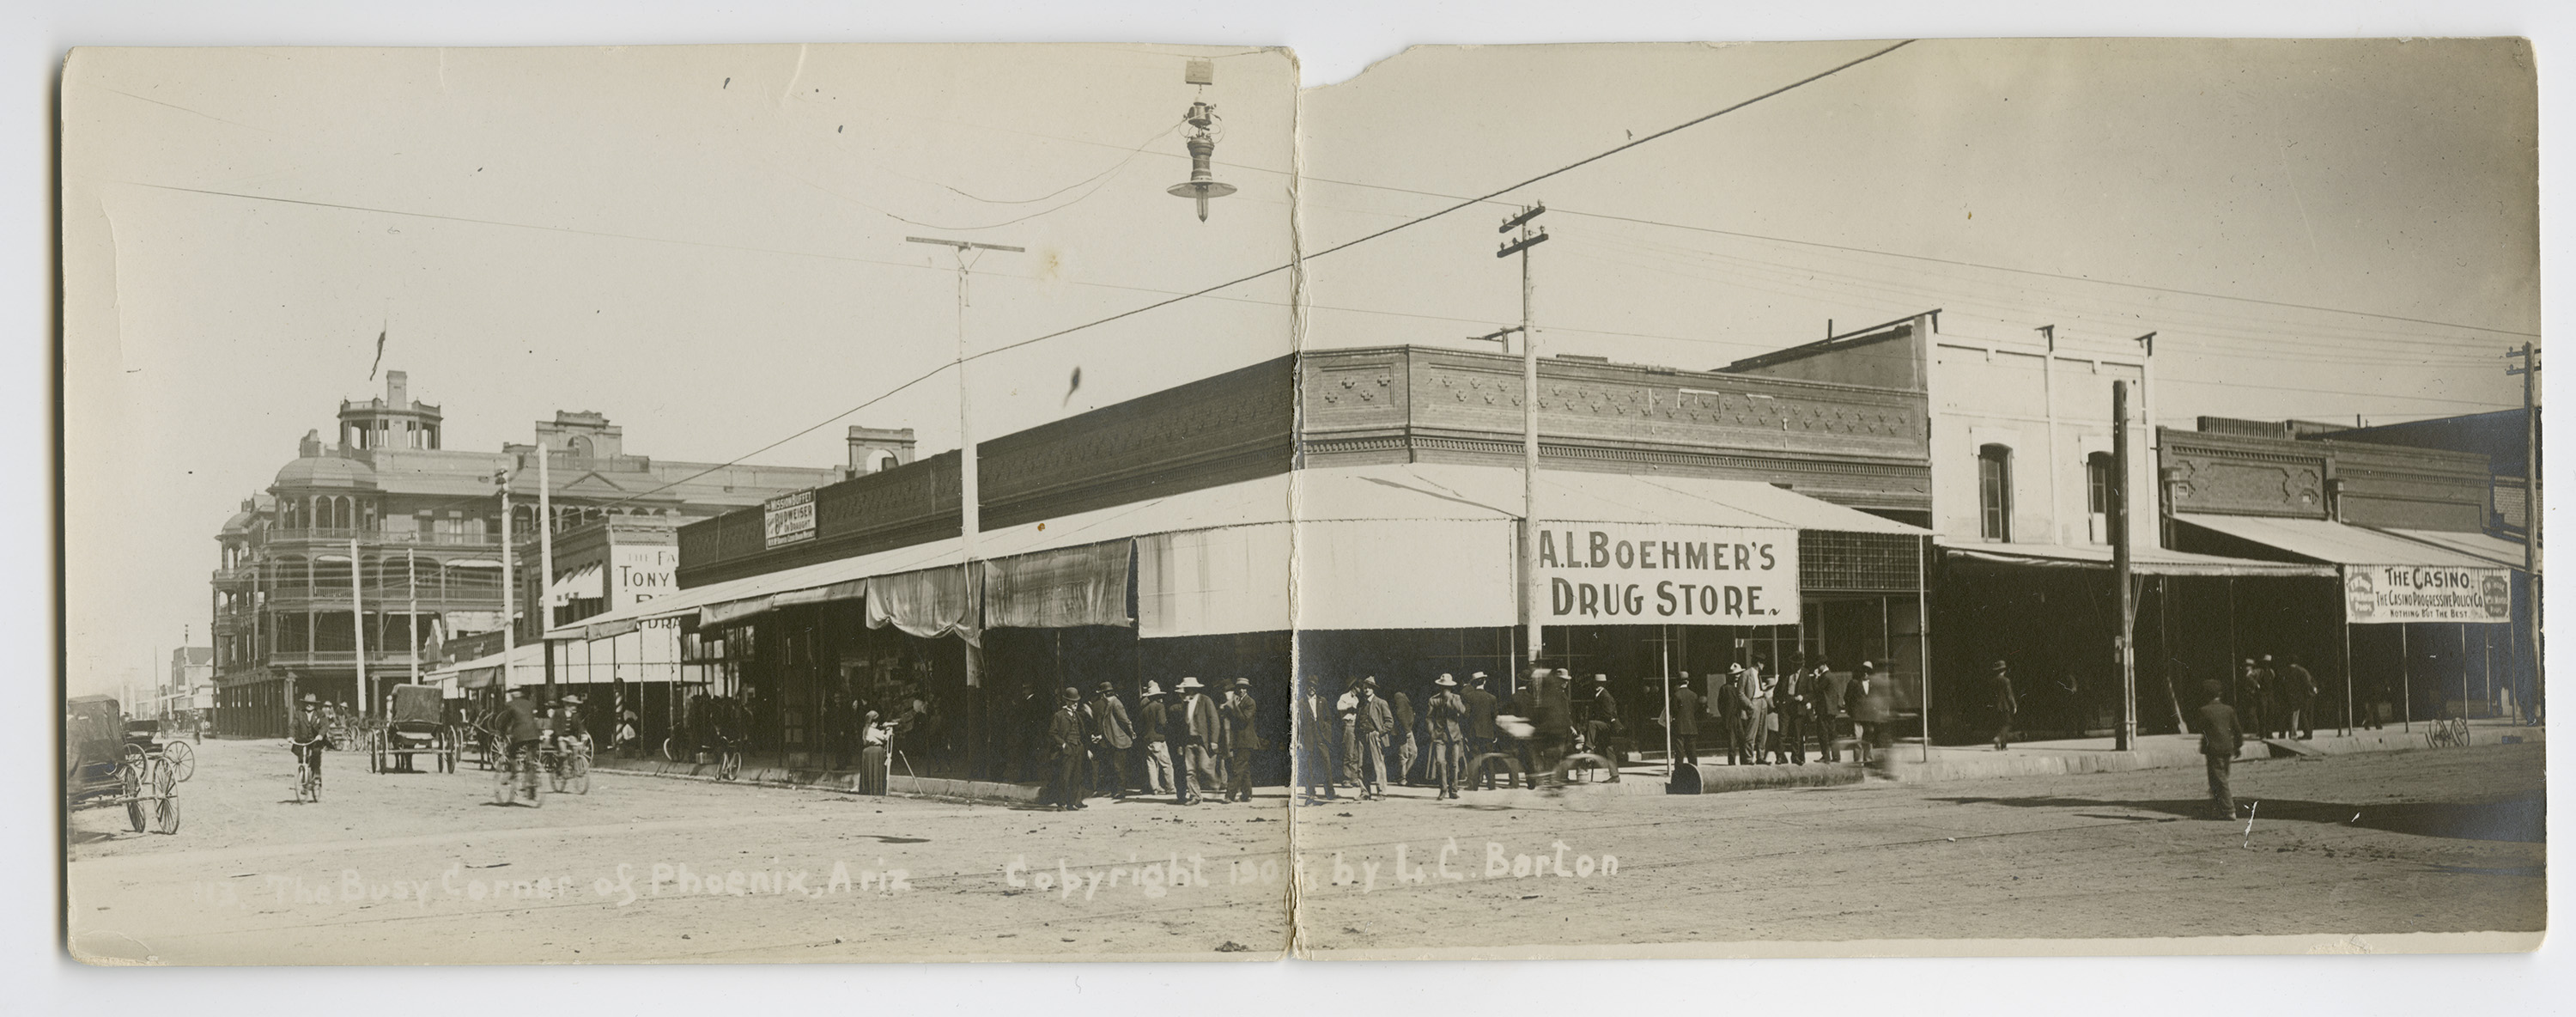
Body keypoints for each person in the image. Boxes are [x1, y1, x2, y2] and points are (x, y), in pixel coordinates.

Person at [2195, 679, 2244, 819]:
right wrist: (2238, 746)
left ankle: (2229, 810)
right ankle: (2218, 808)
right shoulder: (2229, 709)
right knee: (2221, 778)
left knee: (2219, 779)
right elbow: (2237, 730)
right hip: (2228, 748)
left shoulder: (2204, 711)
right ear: (2220, 694)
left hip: (2213, 750)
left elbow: (2201, 729)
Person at [1173, 677, 1223, 806]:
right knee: (1190, 771)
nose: (1184, 691)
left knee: (1204, 766)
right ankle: (1195, 796)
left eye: (1186, 689)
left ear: (1192, 689)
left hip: (1203, 741)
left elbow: (1214, 721)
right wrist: (1180, 744)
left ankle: (1216, 782)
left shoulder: (1205, 700)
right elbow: (1182, 726)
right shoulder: (1185, 704)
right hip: (1188, 741)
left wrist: (1214, 740)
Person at [1084, 682, 1134, 801]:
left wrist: (1131, 733)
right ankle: (1116, 790)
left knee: (1119, 767)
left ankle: (1121, 791)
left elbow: (1125, 720)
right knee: (1115, 766)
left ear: (1103, 694)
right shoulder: (1110, 703)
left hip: (1118, 740)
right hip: (1112, 740)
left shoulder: (1116, 703)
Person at [1423, 674, 1467, 799]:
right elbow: (1429, 717)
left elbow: (1462, 711)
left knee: (1454, 763)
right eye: (1443, 687)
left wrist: (1451, 700)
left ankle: (1454, 790)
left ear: (1451, 687)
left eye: (1447, 687)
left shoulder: (1456, 698)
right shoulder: (1434, 700)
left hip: (1454, 736)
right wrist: (1432, 731)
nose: (1445, 689)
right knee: (1440, 762)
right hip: (1439, 735)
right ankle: (1443, 789)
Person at [1044, 687, 1087, 811]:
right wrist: (1063, 745)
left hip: (1078, 748)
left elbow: (1082, 732)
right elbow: (1052, 733)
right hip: (1068, 749)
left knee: (1077, 776)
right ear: (1067, 702)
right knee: (1065, 777)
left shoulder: (1077, 715)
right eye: (1072, 702)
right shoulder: (1059, 716)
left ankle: (1071, 803)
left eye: (1076, 702)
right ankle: (1061, 803)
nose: (1075, 704)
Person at [1296, 677, 1337, 802]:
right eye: (1309, 686)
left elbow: (1329, 718)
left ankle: (1330, 792)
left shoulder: (1322, 701)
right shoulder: (1301, 702)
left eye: (1314, 686)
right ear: (1306, 687)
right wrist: (1299, 741)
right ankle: (1311, 792)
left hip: (1321, 737)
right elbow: (1298, 723)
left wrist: (1326, 730)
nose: (1312, 688)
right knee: (1309, 766)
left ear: (1317, 688)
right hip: (1308, 738)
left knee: (1326, 764)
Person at [497, 687, 544, 798]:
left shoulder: (510, 705)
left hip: (520, 735)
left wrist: (502, 732)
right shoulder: (529, 704)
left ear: (513, 695)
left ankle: (515, 771)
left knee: (512, 753)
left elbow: (505, 721)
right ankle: (531, 783)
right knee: (531, 758)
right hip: (534, 735)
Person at [1354, 678, 1395, 800]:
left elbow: (1389, 722)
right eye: (1365, 687)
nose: (1366, 689)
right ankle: (1365, 792)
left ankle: (1382, 792)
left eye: (1369, 687)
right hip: (1362, 737)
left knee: (1378, 764)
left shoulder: (1380, 702)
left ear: (1373, 689)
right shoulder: (1361, 703)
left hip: (1374, 736)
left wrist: (1379, 732)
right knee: (1361, 765)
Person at [1853, 661, 1896, 776]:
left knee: (1868, 739)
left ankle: (1868, 760)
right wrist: (1851, 712)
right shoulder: (1854, 683)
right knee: (1858, 738)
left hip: (1869, 716)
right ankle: (1857, 762)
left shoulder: (1874, 685)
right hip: (1858, 716)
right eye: (1864, 671)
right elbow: (1848, 698)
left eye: (1868, 672)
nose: (1866, 674)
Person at [1223, 678, 1261, 803]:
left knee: (1237, 768)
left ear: (1247, 689)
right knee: (1244, 769)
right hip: (1238, 741)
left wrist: (1232, 705)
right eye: (1239, 687)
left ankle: (1230, 795)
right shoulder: (1236, 702)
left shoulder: (1250, 702)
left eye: (1244, 688)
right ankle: (1247, 795)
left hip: (1246, 741)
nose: (1241, 690)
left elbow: (1244, 719)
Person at [1461, 673, 1500, 789]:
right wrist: (1495, 733)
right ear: (1484, 682)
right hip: (1488, 733)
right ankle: (1491, 784)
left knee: (1474, 758)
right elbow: (1495, 718)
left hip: (1474, 733)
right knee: (1488, 758)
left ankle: (1474, 785)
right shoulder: (1492, 698)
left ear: (1473, 683)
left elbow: (1466, 715)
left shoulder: (1469, 697)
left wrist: (1466, 732)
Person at [1137, 680, 1174, 796]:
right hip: (1158, 739)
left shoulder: (1144, 709)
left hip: (1148, 739)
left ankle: (1155, 788)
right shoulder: (1159, 706)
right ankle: (1170, 787)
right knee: (1167, 764)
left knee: (1152, 764)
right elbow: (1163, 722)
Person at [1584, 674, 1624, 780]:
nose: (1598, 685)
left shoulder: (1605, 696)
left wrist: (1597, 719)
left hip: (1608, 724)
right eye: (1597, 683)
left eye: (1600, 684)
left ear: (1604, 684)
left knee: (1592, 724)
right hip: (1604, 725)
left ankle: (1589, 747)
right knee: (1608, 749)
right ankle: (1615, 776)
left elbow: (1609, 714)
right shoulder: (1598, 694)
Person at [289, 693, 328, 790]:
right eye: (307, 703)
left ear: (315, 705)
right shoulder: (299, 714)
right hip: (302, 741)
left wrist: (320, 735)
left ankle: (316, 776)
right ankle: (304, 781)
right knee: (302, 759)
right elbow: (293, 726)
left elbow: (324, 726)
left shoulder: (320, 714)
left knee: (316, 754)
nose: (309, 705)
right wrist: (291, 737)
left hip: (315, 740)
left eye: (311, 703)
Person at [2278, 655, 2319, 740]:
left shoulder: (2286, 671)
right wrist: (2314, 689)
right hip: (2309, 695)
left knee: (2300, 714)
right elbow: (2309, 682)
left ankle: (2303, 734)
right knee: (2308, 715)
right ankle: (2308, 733)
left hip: (2299, 696)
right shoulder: (2302, 670)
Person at [1820, 662, 1852, 763]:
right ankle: (1836, 756)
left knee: (1823, 733)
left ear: (1824, 665)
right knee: (1833, 734)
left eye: (1818, 665)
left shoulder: (1825, 677)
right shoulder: (1832, 676)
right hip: (1832, 709)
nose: (1817, 668)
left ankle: (1826, 756)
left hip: (1825, 709)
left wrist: (1816, 678)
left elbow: (1818, 689)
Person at [1388, 687, 1417, 787]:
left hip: (1407, 729)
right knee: (1404, 754)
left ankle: (1402, 776)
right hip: (1403, 731)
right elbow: (1400, 713)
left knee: (1413, 753)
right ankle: (1402, 778)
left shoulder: (1403, 695)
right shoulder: (1399, 695)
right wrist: (1407, 730)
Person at [858, 710, 892, 795]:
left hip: (867, 752)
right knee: (876, 772)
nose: (877, 723)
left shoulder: (866, 729)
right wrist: (889, 730)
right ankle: (877, 790)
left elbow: (878, 733)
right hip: (875, 751)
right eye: (876, 721)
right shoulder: (872, 730)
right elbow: (885, 738)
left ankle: (868, 789)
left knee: (869, 771)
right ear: (873, 722)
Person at [1669, 674, 1701, 766]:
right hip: (1691, 727)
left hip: (1679, 727)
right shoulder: (1694, 695)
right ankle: (1695, 773)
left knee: (1679, 753)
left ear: (1678, 683)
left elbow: (1673, 710)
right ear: (1688, 682)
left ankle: (1679, 774)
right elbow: (1696, 710)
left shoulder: (1676, 695)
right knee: (1692, 753)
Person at [2238, 657, 2272, 740]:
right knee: (2259, 714)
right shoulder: (2257, 672)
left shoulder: (2268, 671)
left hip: (2262, 695)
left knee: (2264, 714)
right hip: (2254, 696)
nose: (2247, 667)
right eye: (2246, 665)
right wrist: (2256, 685)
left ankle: (2264, 733)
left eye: (2249, 665)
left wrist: (2256, 686)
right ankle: (2260, 733)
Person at [1988, 660, 2018, 751]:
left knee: (2000, 724)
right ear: (2004, 670)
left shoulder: (1992, 681)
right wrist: (2014, 705)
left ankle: (2003, 746)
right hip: (2005, 706)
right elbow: (2009, 694)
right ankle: (1998, 738)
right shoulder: (2006, 681)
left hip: (1996, 706)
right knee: (2008, 724)